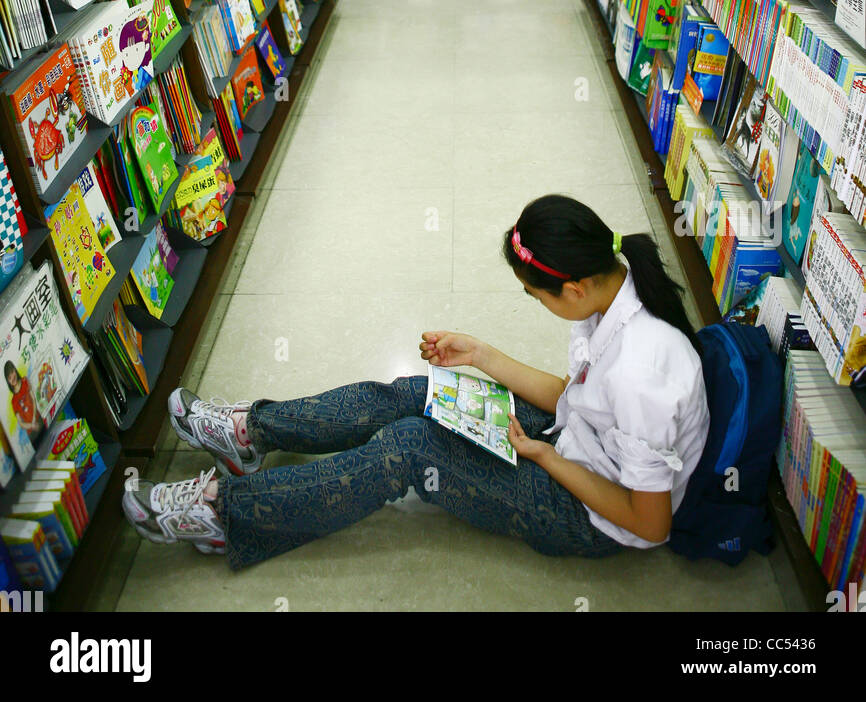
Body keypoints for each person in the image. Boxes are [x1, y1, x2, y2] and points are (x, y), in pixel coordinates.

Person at [122, 195, 710, 568]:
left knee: (409, 448)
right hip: (572, 443)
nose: (535, 304)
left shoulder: (641, 372)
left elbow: (648, 523)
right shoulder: (614, 295)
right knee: (419, 394)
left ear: (574, 288)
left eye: (535, 296)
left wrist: (543, 459)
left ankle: (228, 513)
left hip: (587, 515)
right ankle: (251, 431)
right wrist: (481, 355)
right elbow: (576, 400)